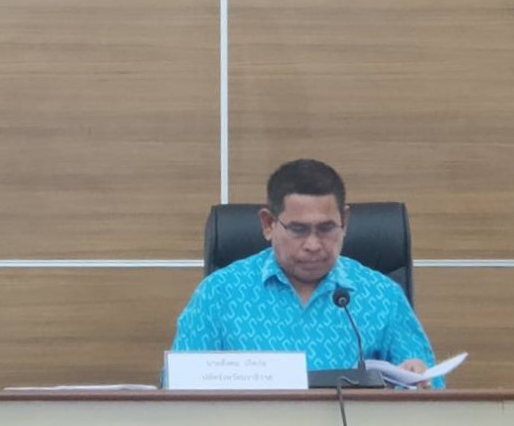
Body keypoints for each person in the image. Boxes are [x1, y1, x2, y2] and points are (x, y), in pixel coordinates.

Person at [171, 159, 437, 384]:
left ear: (344, 222)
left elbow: (431, 390)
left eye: (326, 229)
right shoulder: (219, 294)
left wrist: (418, 378)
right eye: (298, 230)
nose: (313, 245)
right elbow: (178, 389)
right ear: (268, 224)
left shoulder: (382, 295)